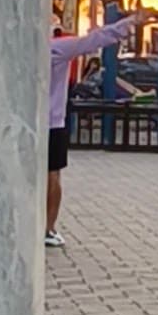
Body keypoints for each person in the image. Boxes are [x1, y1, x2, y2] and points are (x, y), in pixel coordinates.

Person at [46, 13, 110, 238]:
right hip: (53, 121)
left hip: (29, 120)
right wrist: (129, 24)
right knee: (53, 174)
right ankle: (49, 227)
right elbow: (93, 41)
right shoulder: (58, 48)